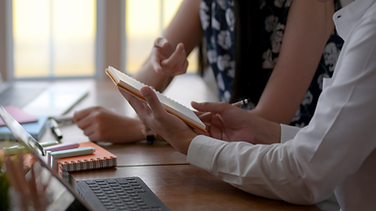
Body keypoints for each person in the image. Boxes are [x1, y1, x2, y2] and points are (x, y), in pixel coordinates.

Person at [120, 0, 376, 210]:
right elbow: (321, 144)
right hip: (277, 173)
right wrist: (159, 58)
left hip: (290, 185)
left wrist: (157, 134)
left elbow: (305, 171)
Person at [73, 0, 343, 143]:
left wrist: (141, 130)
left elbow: (263, 128)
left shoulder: (312, 3)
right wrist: (160, 58)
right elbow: (143, 84)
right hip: (235, 162)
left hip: (301, 172)